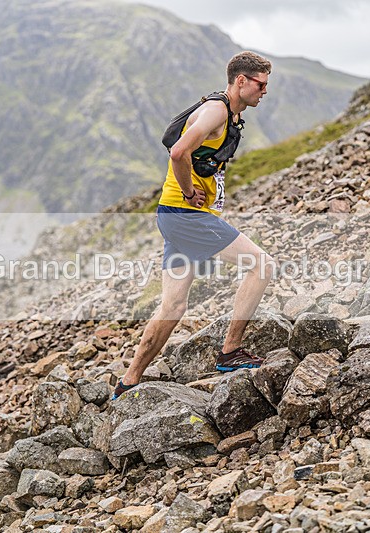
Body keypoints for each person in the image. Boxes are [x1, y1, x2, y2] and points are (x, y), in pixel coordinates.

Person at [114, 51, 276, 400]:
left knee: (172, 306)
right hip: (186, 216)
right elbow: (178, 152)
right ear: (241, 81)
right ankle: (231, 351)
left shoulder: (229, 114)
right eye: (260, 84)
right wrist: (189, 192)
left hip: (174, 217)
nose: (265, 91)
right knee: (261, 265)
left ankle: (128, 382)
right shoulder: (217, 110)